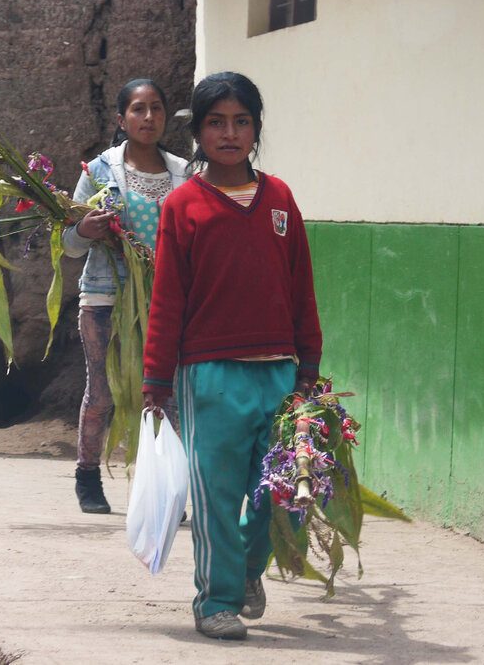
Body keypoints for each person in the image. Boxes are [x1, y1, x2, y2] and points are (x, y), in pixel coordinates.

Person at [141, 72, 322, 640]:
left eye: (242, 121)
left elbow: (301, 287)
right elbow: (167, 297)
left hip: (279, 372)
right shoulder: (184, 205)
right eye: (216, 122)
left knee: (280, 489)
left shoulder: (281, 198)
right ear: (198, 131)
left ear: (256, 129)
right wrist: (156, 379)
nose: (230, 132)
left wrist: (309, 367)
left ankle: (247, 571)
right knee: (216, 496)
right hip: (209, 375)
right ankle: (215, 601)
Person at [62, 79, 189, 514]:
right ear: (121, 119)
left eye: (156, 108)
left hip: (165, 304)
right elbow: (68, 245)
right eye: (138, 109)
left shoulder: (185, 174)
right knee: (103, 392)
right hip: (104, 299)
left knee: (166, 396)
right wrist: (83, 230)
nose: (148, 117)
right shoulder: (96, 172)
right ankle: (87, 476)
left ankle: (167, 489)